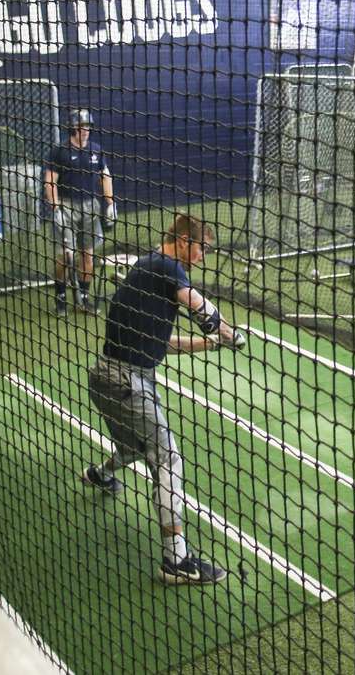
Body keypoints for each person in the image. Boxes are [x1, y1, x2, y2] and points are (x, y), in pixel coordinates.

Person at [79, 213, 245, 584]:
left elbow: (158, 343)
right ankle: (177, 561)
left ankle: (99, 474)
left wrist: (208, 344)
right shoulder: (169, 267)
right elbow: (200, 306)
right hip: (128, 384)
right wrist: (231, 334)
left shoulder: (148, 267)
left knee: (134, 448)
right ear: (185, 241)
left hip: (106, 379)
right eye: (202, 248)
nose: (203, 256)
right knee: (168, 459)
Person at [43, 108, 116, 314]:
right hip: (66, 206)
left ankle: (84, 299)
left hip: (90, 206)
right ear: (72, 128)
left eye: (88, 126)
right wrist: (55, 208)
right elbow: (50, 181)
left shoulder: (95, 150)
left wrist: (110, 203)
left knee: (88, 255)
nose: (85, 130)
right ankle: (61, 296)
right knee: (66, 256)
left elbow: (105, 176)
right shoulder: (59, 151)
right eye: (81, 126)